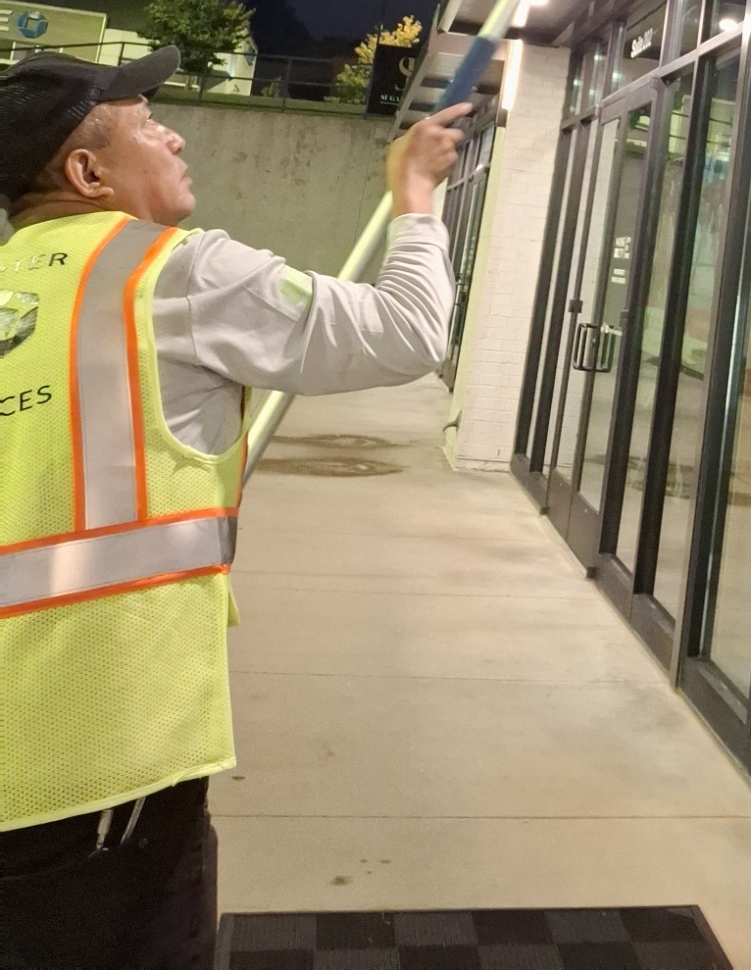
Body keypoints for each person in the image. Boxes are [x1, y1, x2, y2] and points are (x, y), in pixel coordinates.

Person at [0, 48, 470, 970]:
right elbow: (406, 332)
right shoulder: (173, 273)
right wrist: (416, 198)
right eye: (147, 124)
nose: (174, 136)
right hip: (100, 758)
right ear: (88, 173)